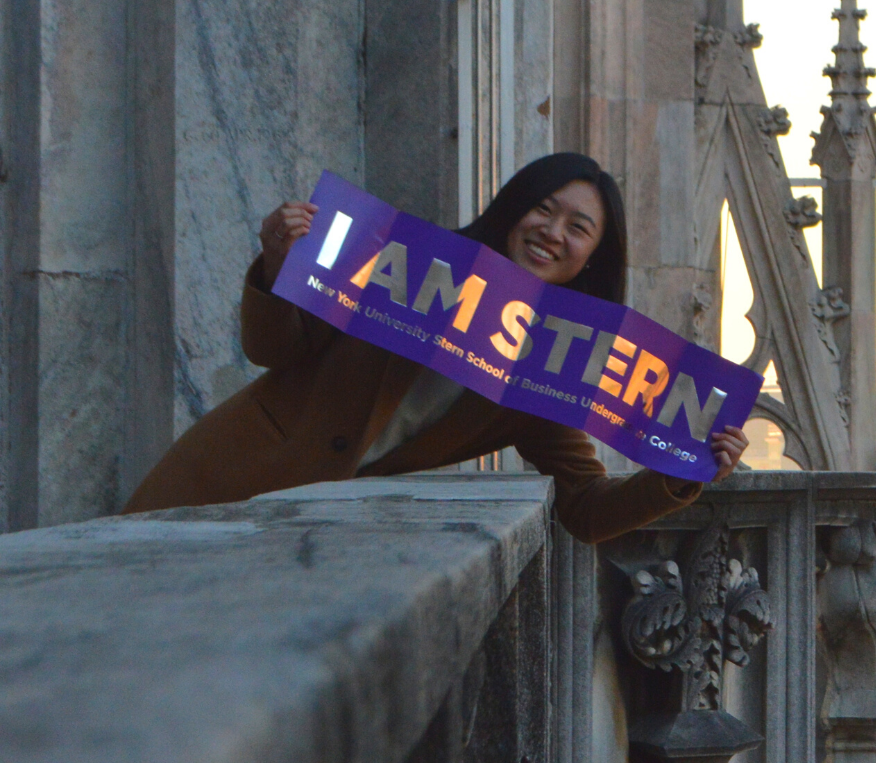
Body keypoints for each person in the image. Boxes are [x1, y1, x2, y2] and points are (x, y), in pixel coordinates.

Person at [123, 153, 748, 543]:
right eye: (543, 209)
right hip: (222, 481)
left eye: (577, 227)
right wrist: (275, 264)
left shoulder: (548, 372)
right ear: (512, 210)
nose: (552, 232)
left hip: (301, 537)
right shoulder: (410, 266)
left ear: (591, 259)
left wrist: (682, 472)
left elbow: (584, 509)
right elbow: (272, 350)